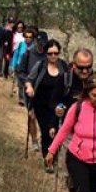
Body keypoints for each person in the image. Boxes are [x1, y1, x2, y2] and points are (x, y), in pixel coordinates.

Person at [24, 38, 69, 168]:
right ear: (46, 53)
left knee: (56, 132)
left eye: (56, 53)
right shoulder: (40, 65)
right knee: (46, 131)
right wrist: (29, 87)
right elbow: (29, 79)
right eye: (50, 53)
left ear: (59, 53)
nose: (53, 56)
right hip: (41, 105)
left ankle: (52, 158)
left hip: (57, 106)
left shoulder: (64, 67)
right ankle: (47, 159)